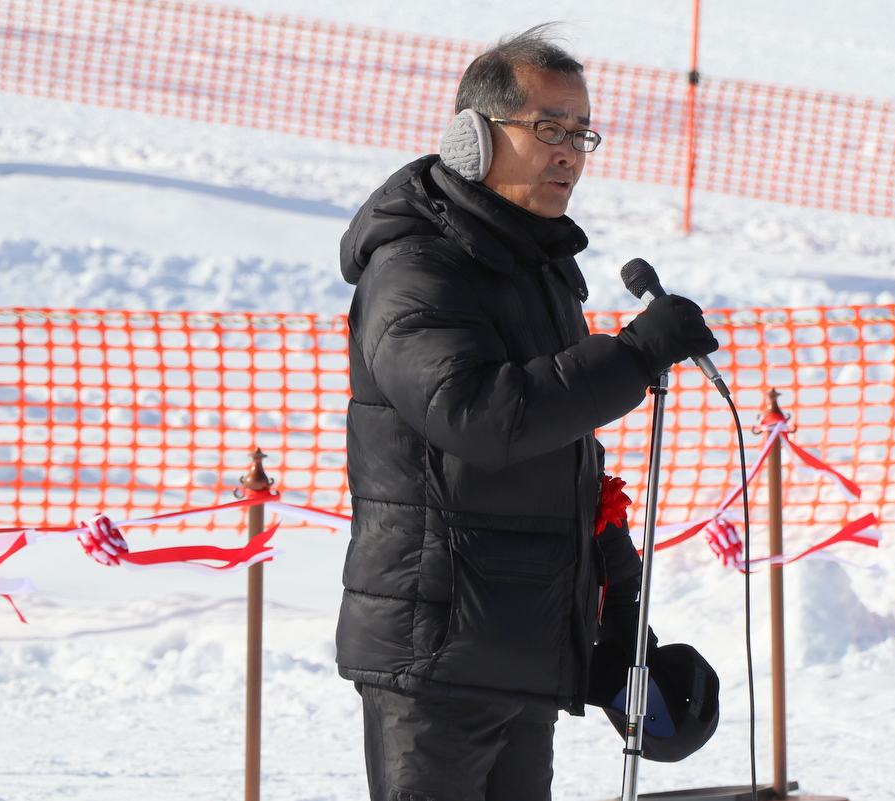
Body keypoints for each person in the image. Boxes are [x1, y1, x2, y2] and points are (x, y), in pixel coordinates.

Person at [336, 24, 719, 801]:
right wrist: (636, 356)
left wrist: (619, 622)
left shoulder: (539, 268)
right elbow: (479, 415)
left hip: (523, 644)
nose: (569, 152)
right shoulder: (416, 264)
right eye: (549, 128)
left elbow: (565, 449)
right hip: (437, 652)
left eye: (582, 133)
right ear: (472, 138)